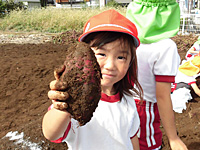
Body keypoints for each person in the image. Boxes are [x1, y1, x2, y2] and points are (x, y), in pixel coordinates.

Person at [42, 9, 143, 150]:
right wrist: (62, 107)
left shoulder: (128, 99)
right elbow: (51, 133)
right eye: (101, 54)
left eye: (121, 57)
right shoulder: (74, 100)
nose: (110, 66)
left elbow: (132, 138)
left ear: (130, 62)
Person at [126, 0, 188, 149]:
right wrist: (173, 138)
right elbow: (162, 96)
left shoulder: (127, 40)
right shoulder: (166, 47)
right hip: (144, 110)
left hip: (122, 102)